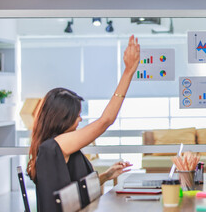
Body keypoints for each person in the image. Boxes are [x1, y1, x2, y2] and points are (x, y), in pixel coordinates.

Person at [27, 35, 140, 212]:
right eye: (77, 115)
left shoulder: (50, 147)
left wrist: (107, 175)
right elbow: (106, 121)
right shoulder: (57, 145)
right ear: (62, 117)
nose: (80, 119)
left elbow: (74, 191)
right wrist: (128, 72)